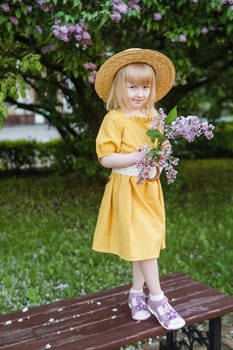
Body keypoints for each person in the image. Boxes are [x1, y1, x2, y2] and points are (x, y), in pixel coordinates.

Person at [92, 48, 185, 330]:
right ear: (120, 88)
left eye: (145, 87)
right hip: (126, 189)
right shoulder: (115, 119)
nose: (139, 94)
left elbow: (162, 151)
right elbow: (106, 157)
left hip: (149, 189)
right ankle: (157, 298)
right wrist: (138, 156)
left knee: (145, 242)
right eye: (132, 87)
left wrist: (157, 163)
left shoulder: (154, 117)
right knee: (146, 245)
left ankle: (135, 294)